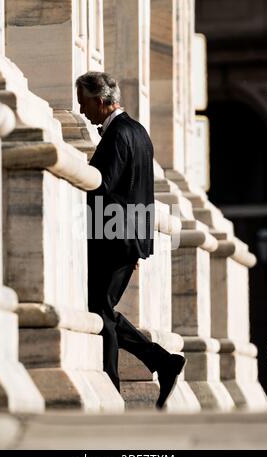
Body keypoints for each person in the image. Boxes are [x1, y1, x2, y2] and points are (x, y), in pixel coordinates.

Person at [76, 71, 186, 409]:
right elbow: (142, 191)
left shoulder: (119, 134)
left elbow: (103, 185)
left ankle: (113, 384)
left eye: (84, 104)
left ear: (100, 100)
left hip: (112, 236)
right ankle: (162, 362)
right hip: (125, 235)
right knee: (103, 309)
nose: (82, 112)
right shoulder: (138, 132)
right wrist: (138, 241)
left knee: (100, 310)